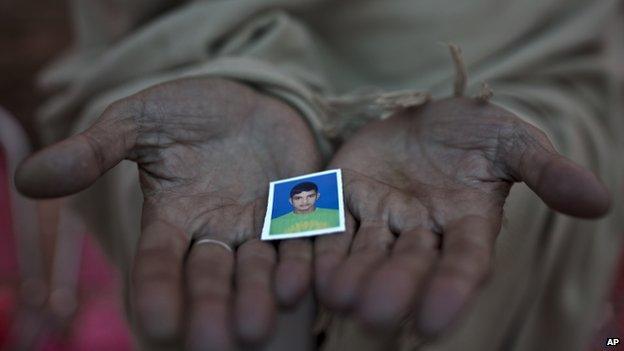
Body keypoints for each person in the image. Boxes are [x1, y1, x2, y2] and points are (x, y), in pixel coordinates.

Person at [14, 0, 624, 350]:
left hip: (500, 88)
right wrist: (228, 76)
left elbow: (571, 47)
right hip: (198, 88)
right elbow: (132, 29)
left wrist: (519, 117)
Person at [270, 181, 339, 235]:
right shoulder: (273, 224)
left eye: (310, 196)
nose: (305, 201)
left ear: (317, 196)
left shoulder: (337, 215)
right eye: (298, 198)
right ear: (291, 201)